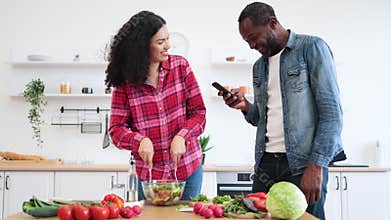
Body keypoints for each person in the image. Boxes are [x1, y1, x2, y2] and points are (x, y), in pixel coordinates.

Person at [220, 2, 343, 219]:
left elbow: (332, 114)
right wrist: (245, 106)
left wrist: (316, 166)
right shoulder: (259, 66)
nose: (251, 45)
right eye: (246, 41)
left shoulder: (311, 48)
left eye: (253, 37)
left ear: (272, 23)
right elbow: (260, 118)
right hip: (266, 165)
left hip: (303, 165)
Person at [105, 11, 206, 200]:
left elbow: (199, 113)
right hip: (150, 177)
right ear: (141, 47)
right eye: (161, 42)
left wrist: (182, 137)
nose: (168, 46)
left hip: (188, 170)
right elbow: (116, 130)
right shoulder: (125, 82)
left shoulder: (181, 67)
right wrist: (139, 140)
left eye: (167, 39)